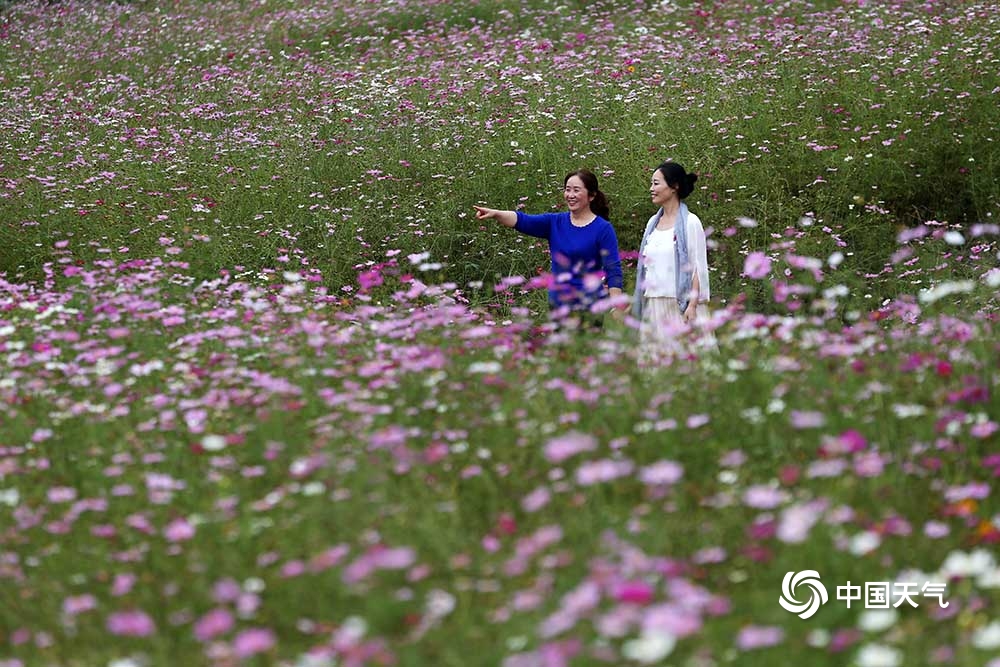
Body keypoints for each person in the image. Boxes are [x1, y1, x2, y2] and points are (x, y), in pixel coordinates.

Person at [474, 169, 625, 330]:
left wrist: (617, 305)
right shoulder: (555, 222)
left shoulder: (603, 229)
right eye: (567, 189)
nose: (570, 195)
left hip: (589, 307)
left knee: (584, 346)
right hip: (559, 306)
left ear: (591, 195)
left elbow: (613, 269)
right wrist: (496, 213)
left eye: (576, 190)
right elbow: (522, 220)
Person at [631, 161, 711, 357]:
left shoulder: (690, 222)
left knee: (686, 362)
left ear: (674, 186)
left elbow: (697, 267)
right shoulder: (652, 223)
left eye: (656, 183)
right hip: (654, 306)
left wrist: (692, 306)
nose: (651, 189)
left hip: (680, 306)